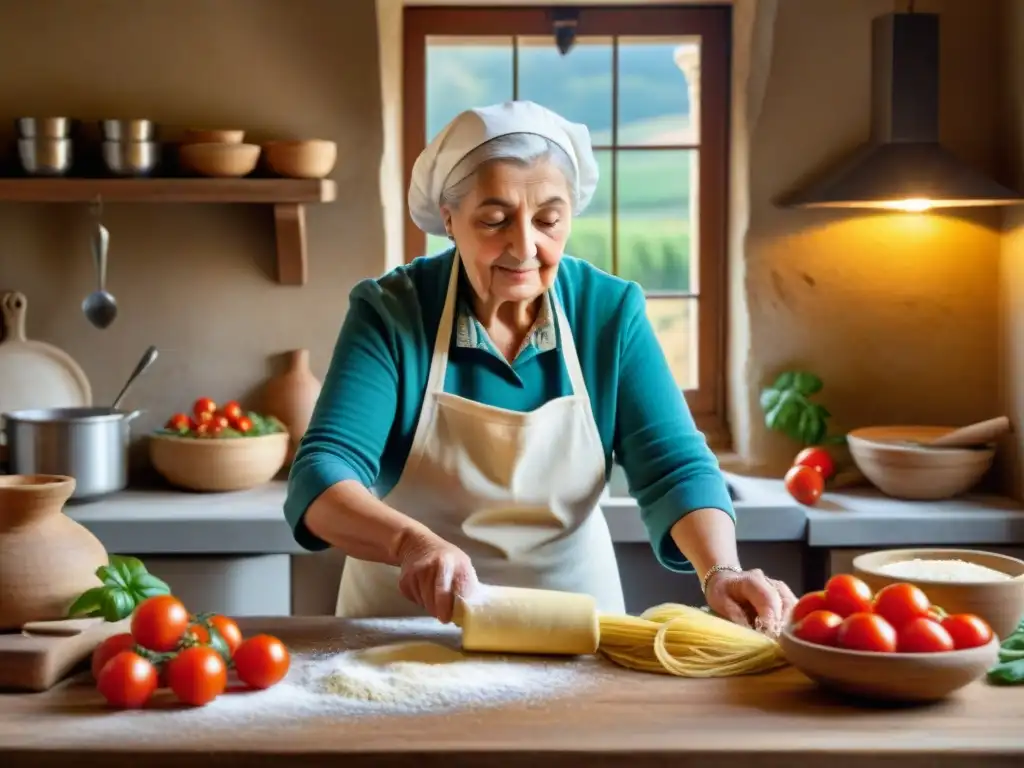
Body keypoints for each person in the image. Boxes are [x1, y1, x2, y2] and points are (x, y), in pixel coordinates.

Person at [284, 100, 796, 631]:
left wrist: (721, 570)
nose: (525, 246)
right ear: (449, 219)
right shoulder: (394, 311)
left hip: (573, 629)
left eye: (548, 220)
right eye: (494, 219)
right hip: (408, 627)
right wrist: (410, 543)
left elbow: (675, 468)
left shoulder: (608, 312)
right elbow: (321, 475)